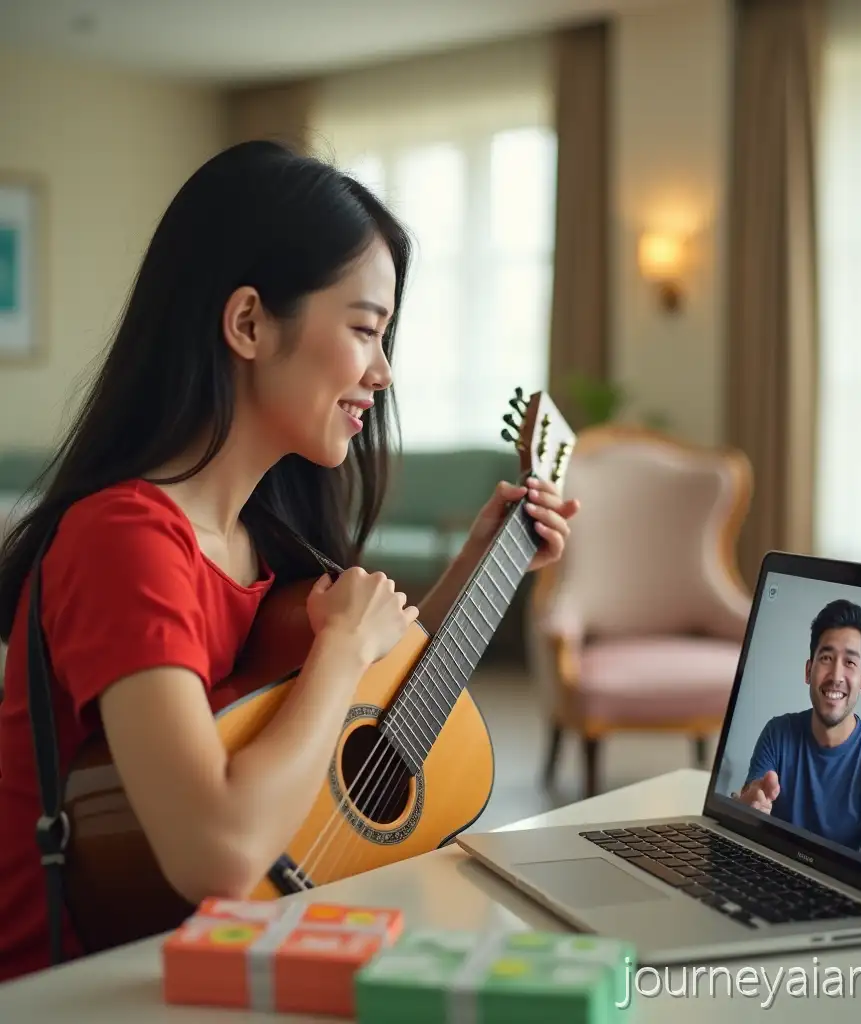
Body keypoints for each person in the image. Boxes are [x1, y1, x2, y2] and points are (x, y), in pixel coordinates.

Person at [0, 140, 580, 983]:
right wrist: (343, 651)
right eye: (364, 330)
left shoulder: (259, 542)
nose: (382, 373)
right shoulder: (124, 540)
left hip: (200, 964)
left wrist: (481, 567)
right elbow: (221, 853)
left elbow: (376, 716)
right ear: (247, 324)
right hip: (77, 989)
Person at [733, 599, 861, 868]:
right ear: (808, 670)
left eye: (850, 662)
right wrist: (747, 806)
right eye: (826, 658)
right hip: (768, 875)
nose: (836, 675)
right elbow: (751, 805)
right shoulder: (777, 733)